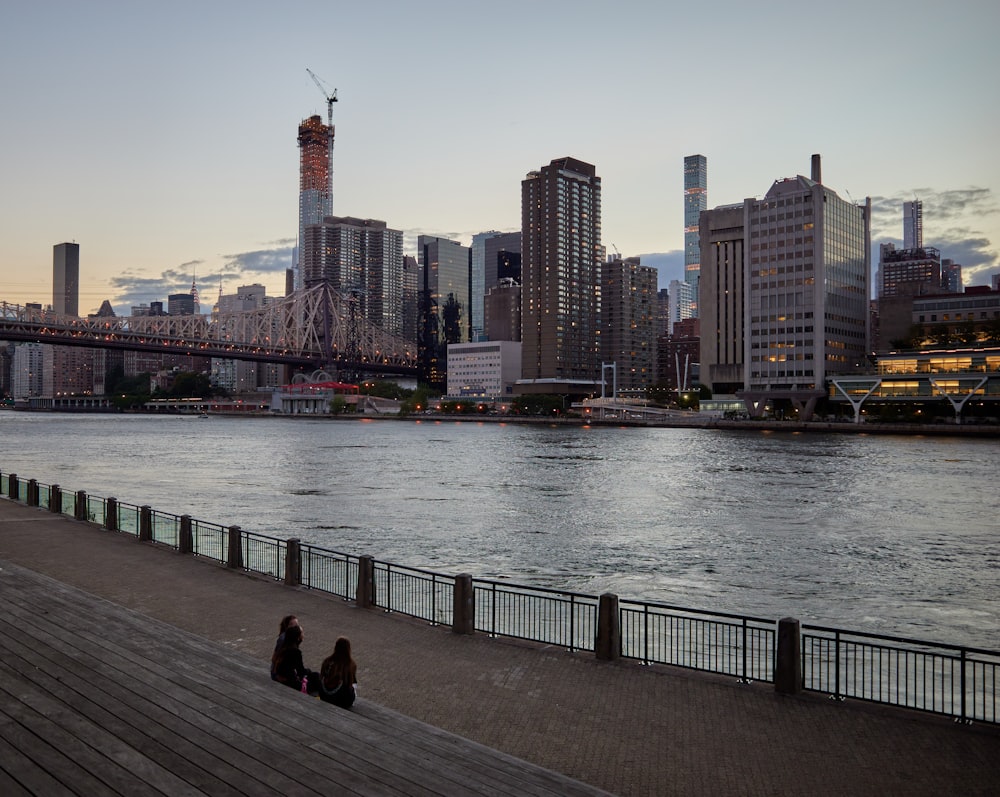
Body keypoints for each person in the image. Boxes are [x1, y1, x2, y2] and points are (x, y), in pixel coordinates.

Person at [271, 624, 318, 693]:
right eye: (302, 632)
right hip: (289, 683)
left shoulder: (283, 648)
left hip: (283, 680)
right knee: (316, 678)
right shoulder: (295, 652)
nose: (304, 634)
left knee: (314, 676)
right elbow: (301, 672)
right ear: (298, 637)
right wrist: (309, 672)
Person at [319, 636, 357, 708]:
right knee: (352, 690)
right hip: (341, 700)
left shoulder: (327, 661)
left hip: (324, 695)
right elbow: (351, 683)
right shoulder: (350, 665)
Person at [270, 615, 299, 681]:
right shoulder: (283, 639)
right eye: (294, 626)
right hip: (279, 674)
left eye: (297, 625)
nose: (297, 628)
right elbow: (275, 657)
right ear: (287, 627)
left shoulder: (294, 637)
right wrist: (275, 674)